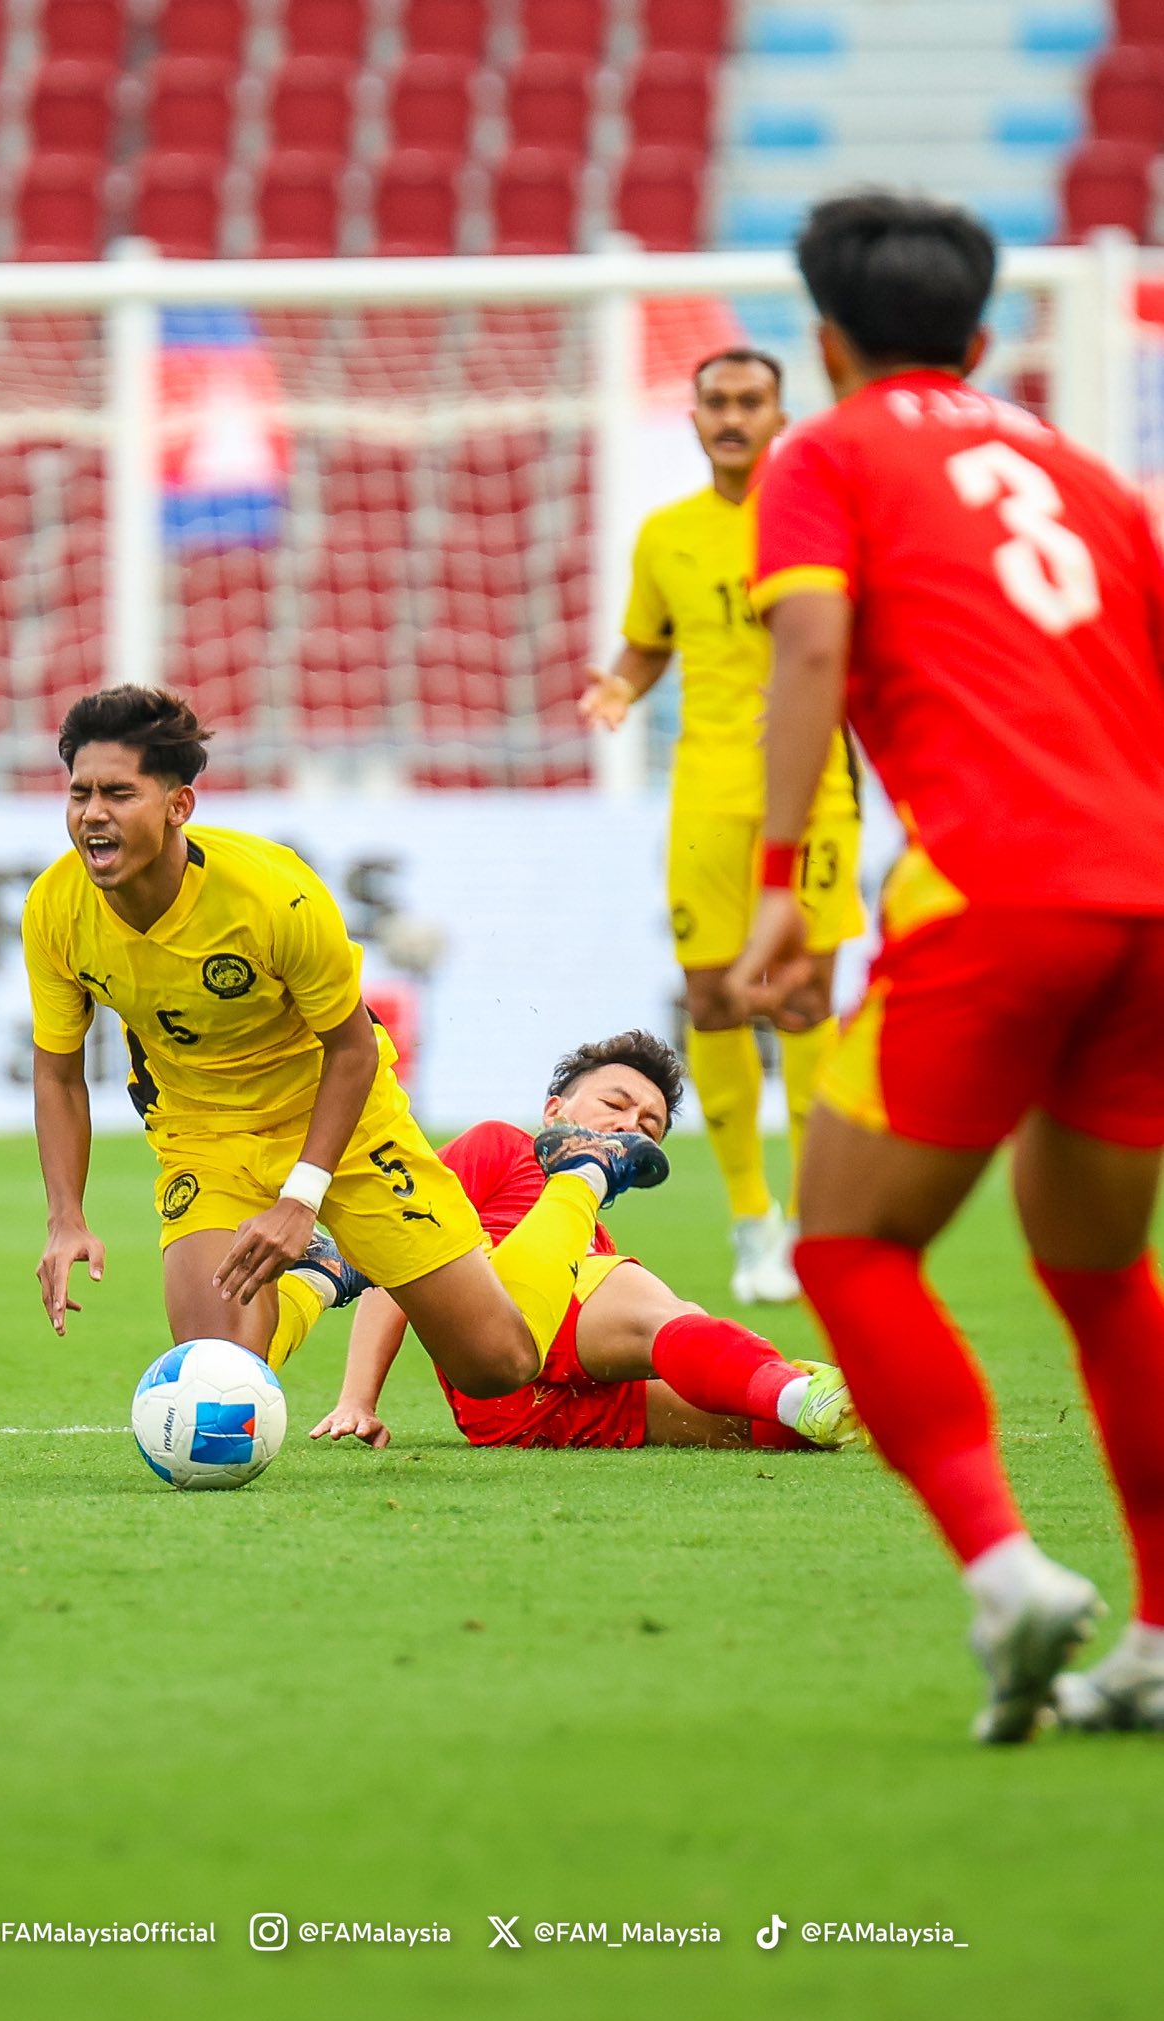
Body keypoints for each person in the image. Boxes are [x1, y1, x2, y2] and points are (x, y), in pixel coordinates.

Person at [728, 191, 1164, 1742]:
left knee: (844, 1244)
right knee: (1100, 1269)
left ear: (825, 341)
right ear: (982, 339)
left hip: (998, 889)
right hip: (1146, 900)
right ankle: (1159, 1638)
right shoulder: (1093, 483)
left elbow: (805, 649)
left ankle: (1003, 1573)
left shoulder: (827, 454)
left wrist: (781, 884)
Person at [24, 685, 667, 1406]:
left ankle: (581, 1172)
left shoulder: (275, 897)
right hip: (203, 1135)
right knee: (219, 1376)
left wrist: (302, 1197)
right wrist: (66, 1219)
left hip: (346, 1123)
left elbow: (354, 1051)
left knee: (496, 1366)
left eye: (118, 793)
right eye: (79, 794)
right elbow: (59, 1076)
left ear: (179, 807)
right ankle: (324, 1274)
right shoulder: (54, 908)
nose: (93, 815)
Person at [583, 350, 866, 1306]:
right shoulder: (668, 535)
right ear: (696, 417)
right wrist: (619, 685)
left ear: (782, 412)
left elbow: (865, 638)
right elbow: (647, 641)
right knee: (712, 1001)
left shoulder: (826, 519)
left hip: (816, 789)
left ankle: (815, 1214)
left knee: (800, 999)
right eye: (718, 402)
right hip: (705, 791)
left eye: (752, 401)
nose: (734, 417)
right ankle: (754, 1220)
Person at [311, 1029, 859, 1455]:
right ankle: (803, 1387)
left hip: (529, 1417)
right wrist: (358, 1399)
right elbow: (404, 1259)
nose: (630, 1125)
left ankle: (855, 1403)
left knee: (764, 1421)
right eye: (615, 1105)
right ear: (555, 1112)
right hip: (500, 1347)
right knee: (670, 1318)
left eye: (649, 1124)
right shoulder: (501, 1145)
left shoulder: (593, 1235)